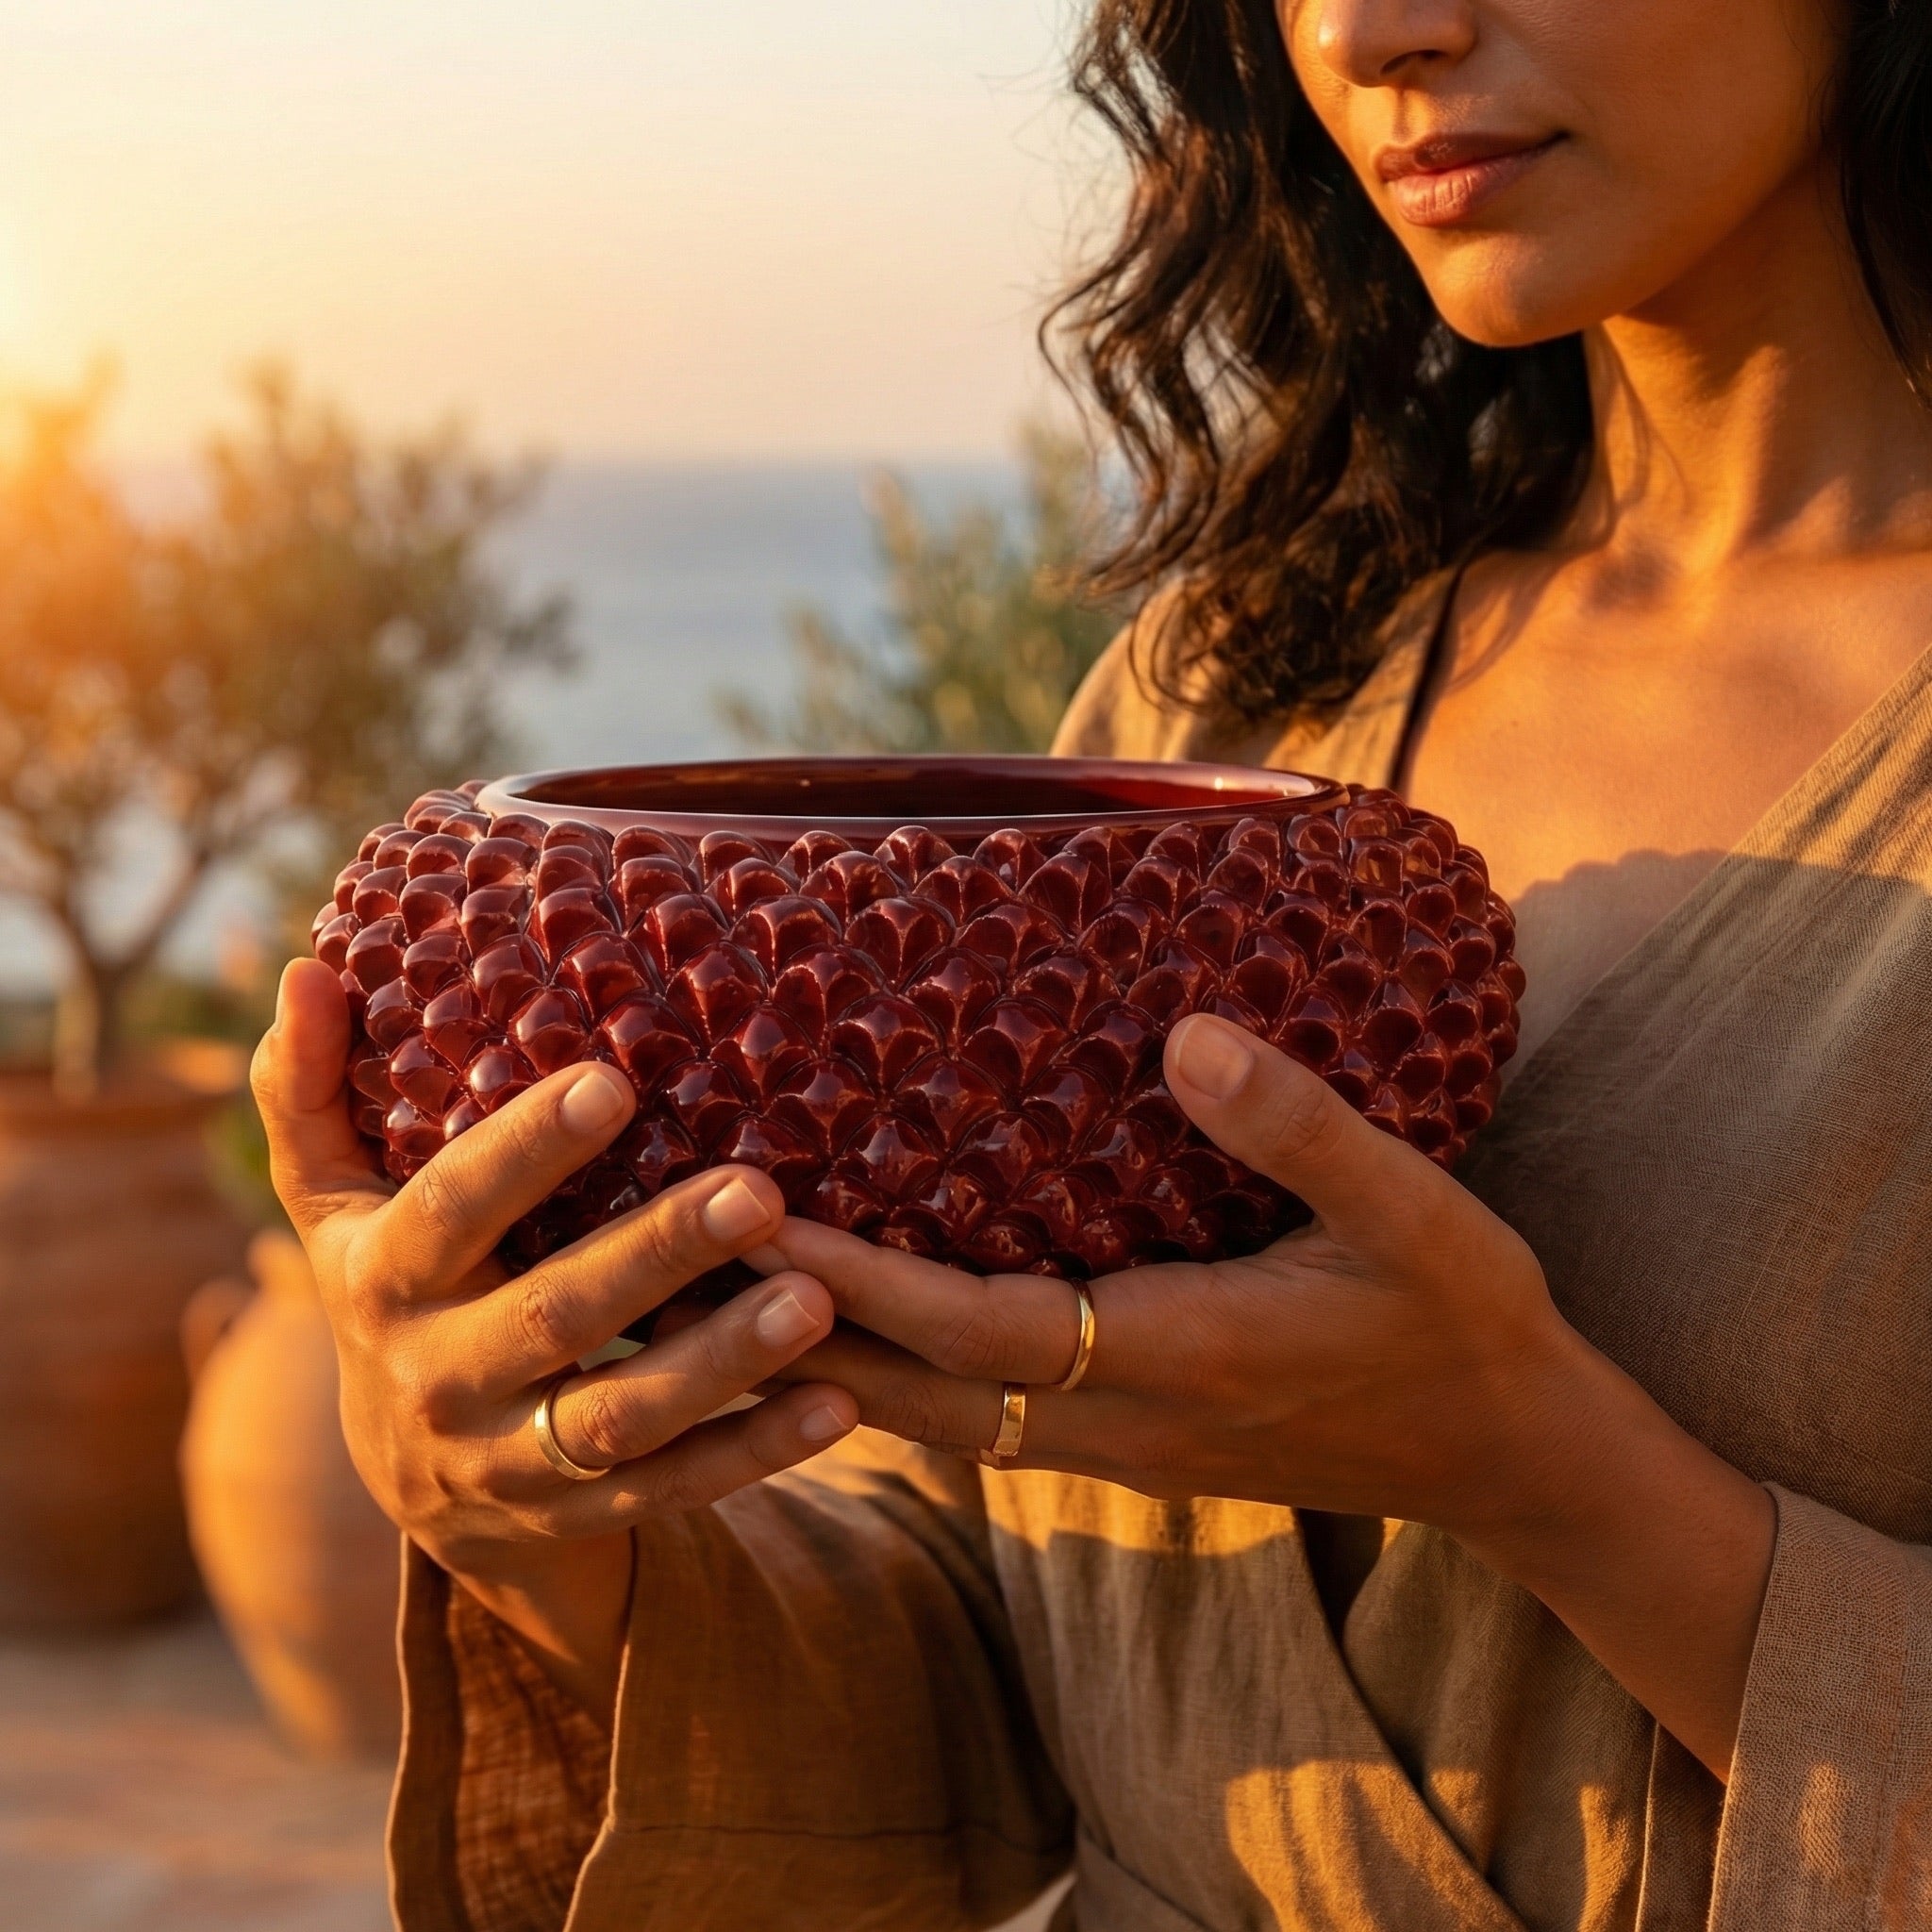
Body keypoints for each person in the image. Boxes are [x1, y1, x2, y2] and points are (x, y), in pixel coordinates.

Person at [252, 1, 1932, 1925]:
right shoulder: (1229, 692)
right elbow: (1008, 1680)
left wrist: (1551, 1476)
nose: (1381, 28)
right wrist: (527, 1503)